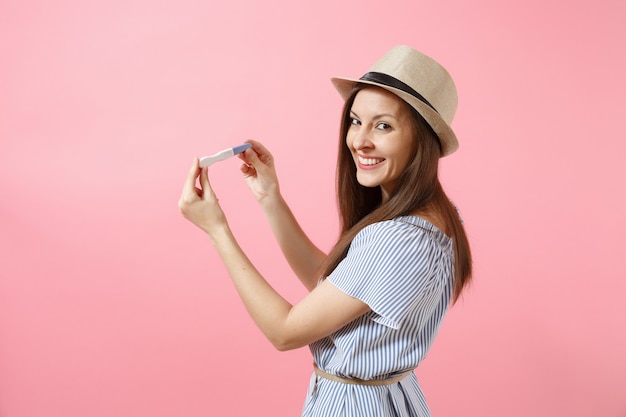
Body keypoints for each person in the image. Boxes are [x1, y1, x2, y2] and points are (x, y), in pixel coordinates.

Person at [179, 45, 472, 417]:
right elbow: (337, 287)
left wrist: (217, 229)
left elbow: (285, 332)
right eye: (355, 120)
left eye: (383, 125)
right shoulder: (437, 218)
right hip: (391, 400)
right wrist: (270, 198)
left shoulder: (399, 238)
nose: (360, 140)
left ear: (422, 139)